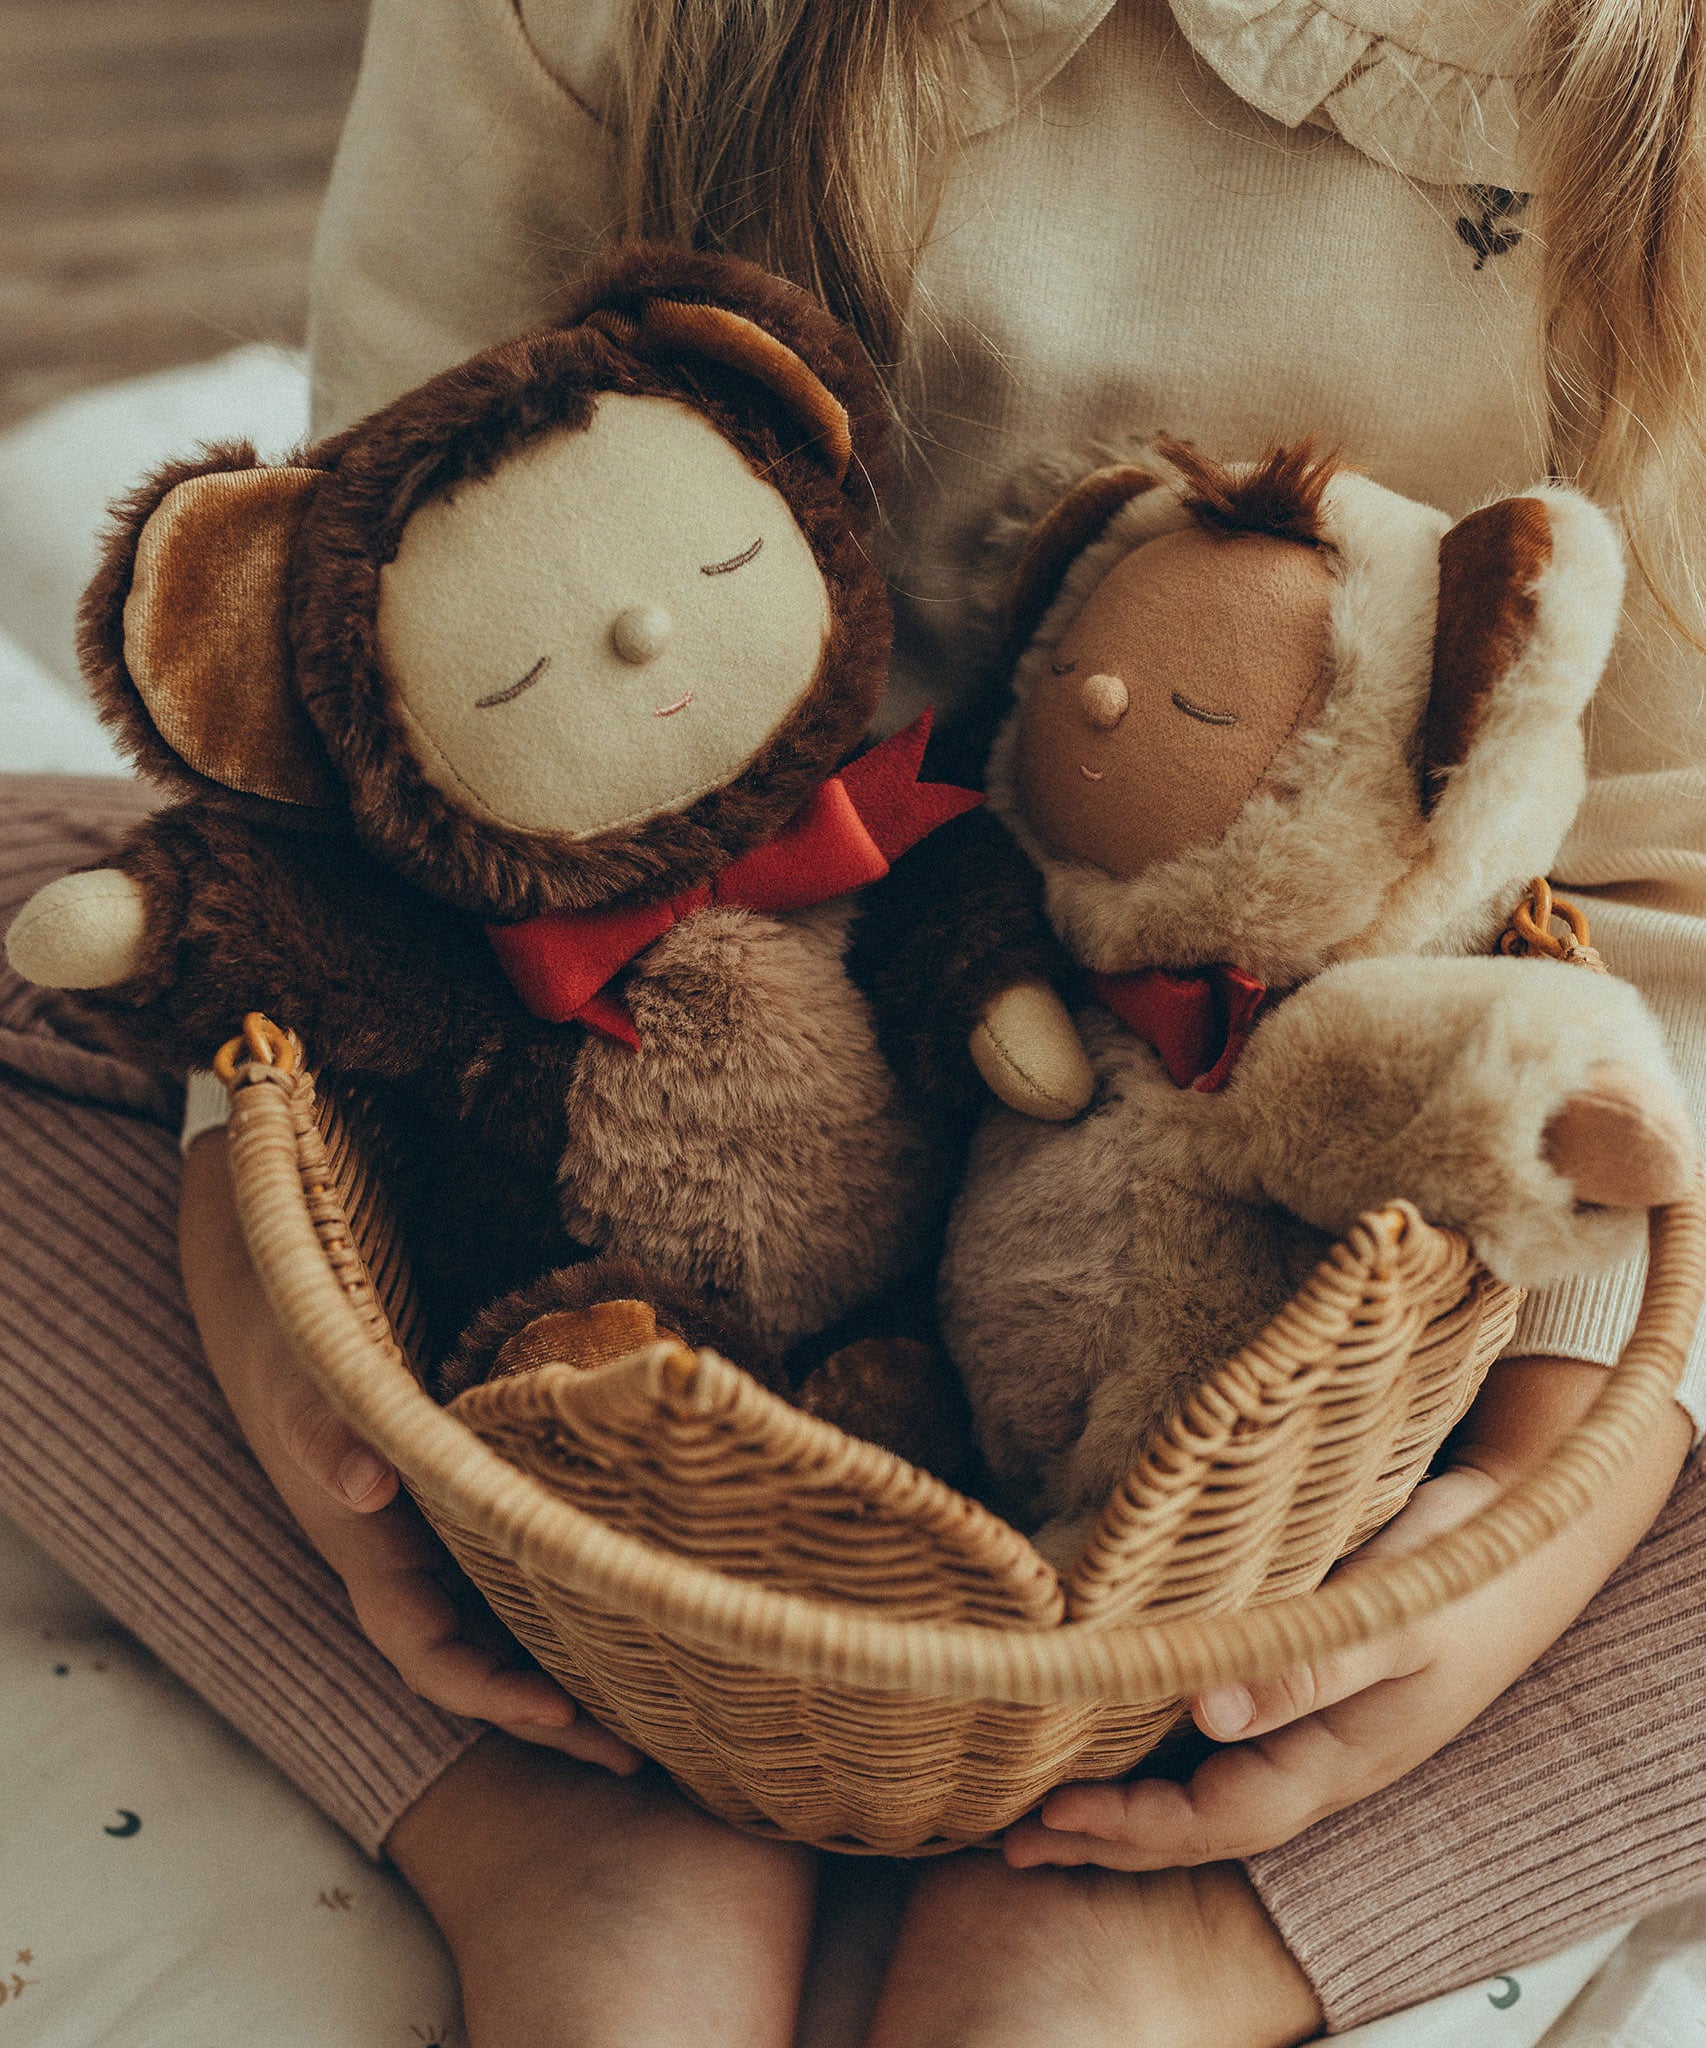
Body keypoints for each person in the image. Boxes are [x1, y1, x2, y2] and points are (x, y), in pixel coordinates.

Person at [3, 1, 1705, 2041]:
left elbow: (1652, 920)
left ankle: (1165, 1929)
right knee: (52, 916)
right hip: (643, 1107)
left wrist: (1536, 1497)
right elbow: (401, 672)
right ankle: (563, 1814)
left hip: (1332, 1255)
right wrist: (267, 1226)